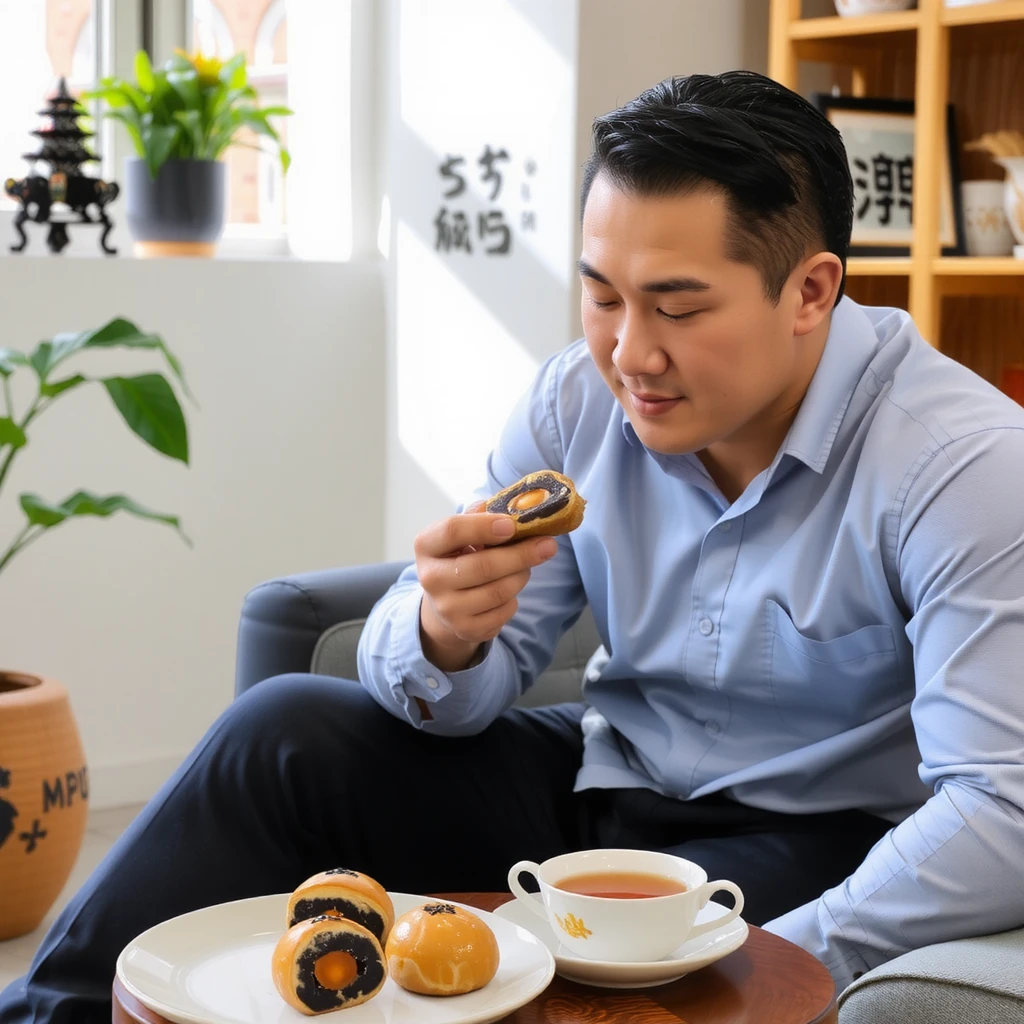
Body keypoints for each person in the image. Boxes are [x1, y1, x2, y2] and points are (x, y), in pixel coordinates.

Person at [4, 68, 1024, 1023]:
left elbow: (1000, 803)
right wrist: (444, 633)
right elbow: (456, 695)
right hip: (596, 783)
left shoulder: (957, 463)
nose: (630, 351)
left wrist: (778, 954)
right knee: (286, 730)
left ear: (809, 293)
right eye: (602, 296)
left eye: (676, 306)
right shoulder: (574, 402)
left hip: (811, 838)